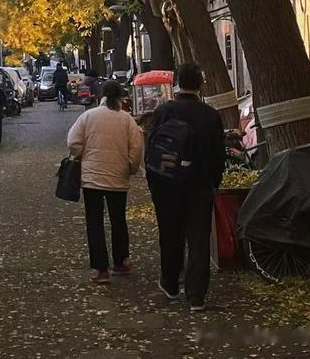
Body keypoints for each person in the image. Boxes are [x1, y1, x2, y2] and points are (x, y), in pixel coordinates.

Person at [145, 62, 225, 311]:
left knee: (169, 233)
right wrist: (214, 181)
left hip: (166, 184)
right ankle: (196, 295)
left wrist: (154, 180)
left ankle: (170, 283)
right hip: (199, 185)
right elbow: (218, 155)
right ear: (200, 84)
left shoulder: (164, 112)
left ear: (177, 83)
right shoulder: (210, 115)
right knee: (199, 238)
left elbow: (151, 148)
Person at [67, 80, 144, 284]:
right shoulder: (126, 120)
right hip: (118, 177)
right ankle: (120, 261)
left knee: (94, 223)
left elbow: (73, 142)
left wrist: (82, 155)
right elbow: (136, 148)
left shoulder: (88, 116)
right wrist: (131, 167)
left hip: (92, 178)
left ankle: (100, 269)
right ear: (120, 98)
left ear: (101, 96)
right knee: (118, 220)